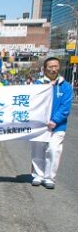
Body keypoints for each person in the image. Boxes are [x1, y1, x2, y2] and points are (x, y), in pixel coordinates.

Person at [30, 57, 73, 189]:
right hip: (39, 125)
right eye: (50, 67)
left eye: (56, 66)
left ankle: (49, 177)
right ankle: (38, 175)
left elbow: (65, 107)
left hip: (58, 126)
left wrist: (55, 120)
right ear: (45, 69)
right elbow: (31, 102)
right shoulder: (37, 85)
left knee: (54, 150)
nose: (53, 69)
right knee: (37, 151)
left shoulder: (65, 86)